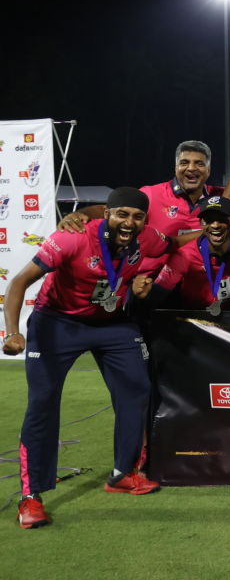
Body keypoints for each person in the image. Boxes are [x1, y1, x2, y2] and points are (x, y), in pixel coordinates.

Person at [4, 188, 172, 529]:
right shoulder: (72, 238)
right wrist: (11, 333)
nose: (129, 222)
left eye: (137, 217)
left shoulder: (149, 239)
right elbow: (19, 282)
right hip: (57, 323)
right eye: (122, 214)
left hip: (112, 324)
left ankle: (123, 473)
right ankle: (31, 496)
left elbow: (179, 242)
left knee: (137, 389)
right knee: (43, 403)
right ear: (106, 215)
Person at [55, 131, 230, 243]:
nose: (191, 168)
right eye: (184, 163)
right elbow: (114, 209)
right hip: (157, 285)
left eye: (199, 164)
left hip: (206, 284)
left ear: (208, 171)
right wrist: (81, 214)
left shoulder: (219, 198)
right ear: (175, 167)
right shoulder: (151, 194)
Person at [146, 196, 230, 314]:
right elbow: (157, 295)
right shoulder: (184, 256)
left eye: (222, 219)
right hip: (194, 319)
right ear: (201, 224)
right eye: (208, 220)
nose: (215, 225)